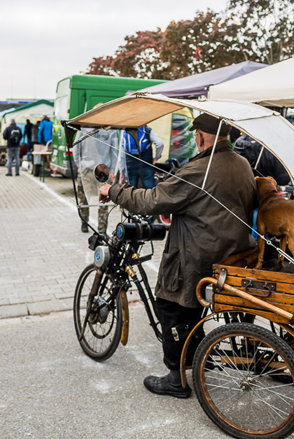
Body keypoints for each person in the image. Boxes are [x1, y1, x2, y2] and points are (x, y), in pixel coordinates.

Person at [99, 114, 257, 398]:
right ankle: (198, 355)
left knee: (170, 304)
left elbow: (151, 201)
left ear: (200, 137)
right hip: (235, 252)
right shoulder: (242, 163)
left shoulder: (200, 169)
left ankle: (175, 378)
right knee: (189, 308)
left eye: (196, 134)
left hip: (202, 255)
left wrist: (114, 190)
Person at [73, 128, 119, 234]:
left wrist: (112, 170)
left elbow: (114, 150)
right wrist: (78, 164)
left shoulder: (108, 129)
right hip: (95, 169)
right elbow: (76, 147)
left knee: (99, 199)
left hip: (96, 169)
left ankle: (97, 227)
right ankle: (91, 225)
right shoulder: (85, 128)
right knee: (89, 198)